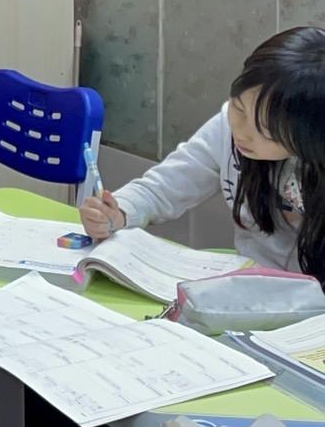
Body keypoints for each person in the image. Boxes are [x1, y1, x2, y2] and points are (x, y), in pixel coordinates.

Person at [83, 26, 325, 275]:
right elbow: (163, 187)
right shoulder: (227, 130)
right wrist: (118, 212)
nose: (242, 132)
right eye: (238, 108)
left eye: (265, 130)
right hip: (252, 284)